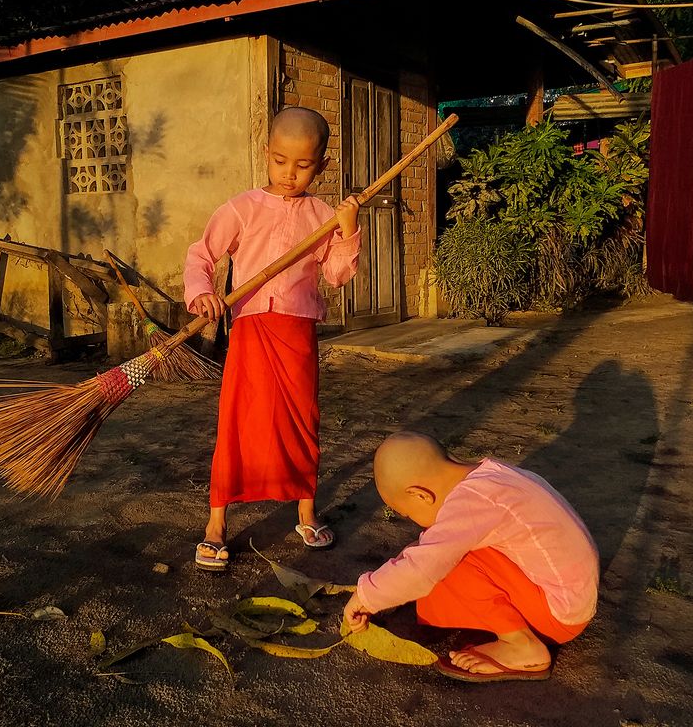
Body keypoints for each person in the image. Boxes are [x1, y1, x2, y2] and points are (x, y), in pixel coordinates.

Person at [184, 107, 361, 571]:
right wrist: (203, 293)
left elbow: (339, 276)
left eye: (303, 165)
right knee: (238, 422)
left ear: (321, 165)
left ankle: (306, 511)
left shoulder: (324, 216)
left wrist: (348, 230)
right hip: (251, 329)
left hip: (297, 333)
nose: (290, 174)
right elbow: (201, 254)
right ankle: (216, 525)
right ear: (267, 155)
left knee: (302, 420)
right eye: (281, 161)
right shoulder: (242, 207)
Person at [343, 431, 599, 683]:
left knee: (449, 561)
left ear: (421, 495)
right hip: (571, 596)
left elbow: (423, 565)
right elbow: (427, 547)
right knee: (441, 548)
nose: (412, 521)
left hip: (557, 614)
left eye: (407, 514)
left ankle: (522, 645)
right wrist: (386, 590)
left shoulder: (469, 502)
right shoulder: (491, 476)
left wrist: (366, 596)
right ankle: (507, 628)